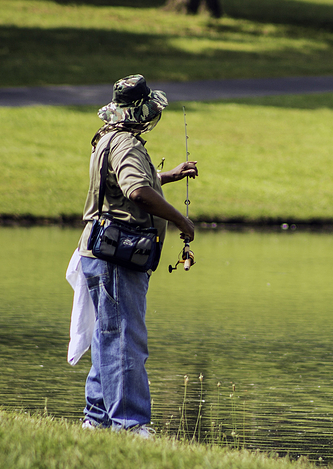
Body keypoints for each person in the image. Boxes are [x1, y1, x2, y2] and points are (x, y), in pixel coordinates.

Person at [74, 74, 196, 437]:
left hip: (98, 251)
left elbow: (131, 181)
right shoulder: (126, 143)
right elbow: (137, 191)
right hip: (117, 255)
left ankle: (95, 419)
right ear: (142, 112)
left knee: (106, 335)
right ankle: (131, 425)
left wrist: (167, 176)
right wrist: (179, 219)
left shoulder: (107, 138)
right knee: (126, 338)